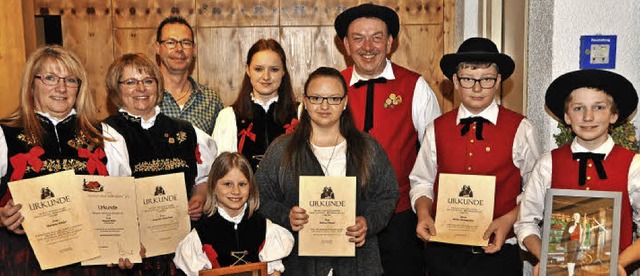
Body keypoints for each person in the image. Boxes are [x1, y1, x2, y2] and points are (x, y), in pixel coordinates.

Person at [409, 37, 541, 276]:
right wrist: (424, 213)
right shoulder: (436, 128)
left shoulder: (521, 128)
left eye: (486, 79)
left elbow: (535, 192)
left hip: (499, 253)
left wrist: (509, 220)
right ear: (456, 82)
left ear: (499, 81)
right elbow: (422, 182)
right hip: (444, 253)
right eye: (469, 79)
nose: (477, 88)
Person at [255, 67, 399, 275]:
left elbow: (388, 194)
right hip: (300, 264)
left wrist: (368, 222)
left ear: (345, 102)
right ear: (305, 101)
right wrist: (286, 215)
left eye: (333, 99)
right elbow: (260, 197)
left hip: (358, 264)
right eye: (316, 98)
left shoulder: (367, 148)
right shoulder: (282, 150)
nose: (324, 106)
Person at [0, 45, 130, 274]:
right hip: (26, 262)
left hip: (93, 265)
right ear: (32, 83)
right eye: (50, 78)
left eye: (71, 80)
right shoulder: (5, 134)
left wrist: (125, 244)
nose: (61, 88)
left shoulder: (107, 136)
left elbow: (124, 204)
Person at [334, 4, 441, 274]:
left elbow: (436, 157)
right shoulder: (330, 88)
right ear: (346, 44)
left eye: (377, 37)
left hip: (401, 218)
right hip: (342, 218)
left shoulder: (415, 87)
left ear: (390, 42)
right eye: (358, 38)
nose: (367, 46)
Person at [514, 69, 640, 276]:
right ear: (567, 116)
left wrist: (617, 264)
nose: (588, 117)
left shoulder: (634, 165)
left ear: (614, 115)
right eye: (578, 108)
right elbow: (526, 222)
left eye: (599, 107)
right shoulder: (548, 163)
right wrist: (546, 260)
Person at [103, 53, 217, 274]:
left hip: (182, 248)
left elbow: (205, 178)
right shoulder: (106, 134)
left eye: (148, 81)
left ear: (158, 86)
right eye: (130, 82)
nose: (141, 88)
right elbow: (108, 198)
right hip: (137, 251)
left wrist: (199, 197)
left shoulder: (186, 131)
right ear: (116, 89)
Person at [174, 152, 294, 276]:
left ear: (251, 187)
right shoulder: (200, 235)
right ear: (214, 187)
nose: (236, 191)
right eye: (227, 184)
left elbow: (274, 272)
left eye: (242, 184)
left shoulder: (265, 229)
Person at [212, 39, 298, 170]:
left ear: (284, 72)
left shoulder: (301, 112)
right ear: (248, 70)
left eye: (274, 70)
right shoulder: (229, 116)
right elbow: (221, 172)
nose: (266, 77)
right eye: (258, 69)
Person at [156, 15, 223, 133]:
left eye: (186, 43)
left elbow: (217, 148)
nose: (179, 49)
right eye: (171, 42)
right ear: (157, 47)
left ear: (193, 49)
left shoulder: (210, 100)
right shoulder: (144, 96)